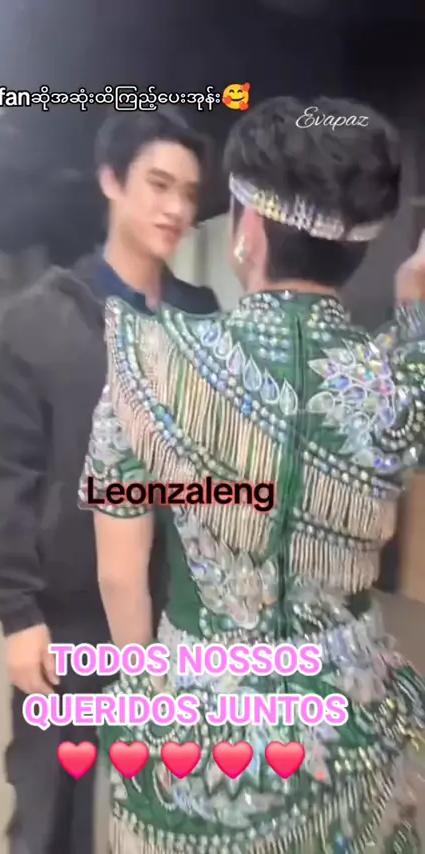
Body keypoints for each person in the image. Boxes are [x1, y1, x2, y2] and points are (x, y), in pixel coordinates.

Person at [79, 96, 425, 854]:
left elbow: (119, 575)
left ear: (249, 230)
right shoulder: (400, 377)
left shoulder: (152, 363)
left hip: (199, 734)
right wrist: (414, 307)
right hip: (353, 732)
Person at [0, 108, 218, 854]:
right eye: (158, 185)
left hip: (180, 619)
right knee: (51, 811)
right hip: (67, 618)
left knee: (178, 810)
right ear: (112, 181)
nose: (175, 208)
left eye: (188, 193)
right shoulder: (37, 322)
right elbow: (2, 478)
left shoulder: (202, 323)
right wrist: (19, 614)